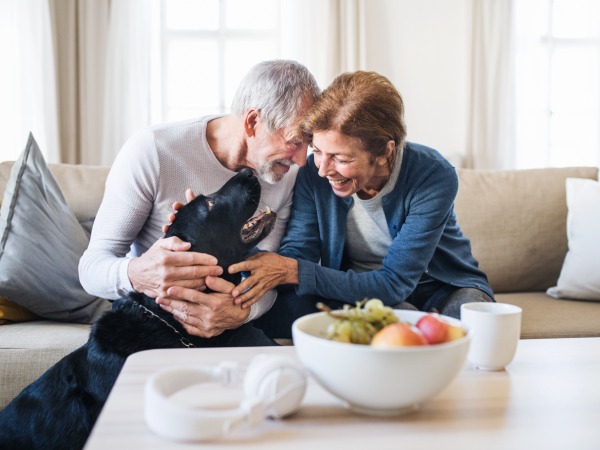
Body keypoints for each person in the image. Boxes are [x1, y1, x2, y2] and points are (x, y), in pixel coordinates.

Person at [227, 70, 494, 339]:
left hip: (446, 287)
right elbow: (298, 253)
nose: (323, 170)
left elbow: (394, 283)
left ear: (384, 152)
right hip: (361, 293)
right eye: (318, 151)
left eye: (340, 158)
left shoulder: (432, 175)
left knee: (469, 329)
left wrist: (293, 270)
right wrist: (233, 255)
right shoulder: (312, 173)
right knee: (390, 332)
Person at [79, 60, 320, 344]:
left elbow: (265, 276)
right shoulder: (154, 150)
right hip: (152, 317)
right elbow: (91, 269)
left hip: (229, 320)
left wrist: (243, 311)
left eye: (309, 143)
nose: (302, 160)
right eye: (294, 141)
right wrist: (139, 273)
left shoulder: (286, 173)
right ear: (252, 121)